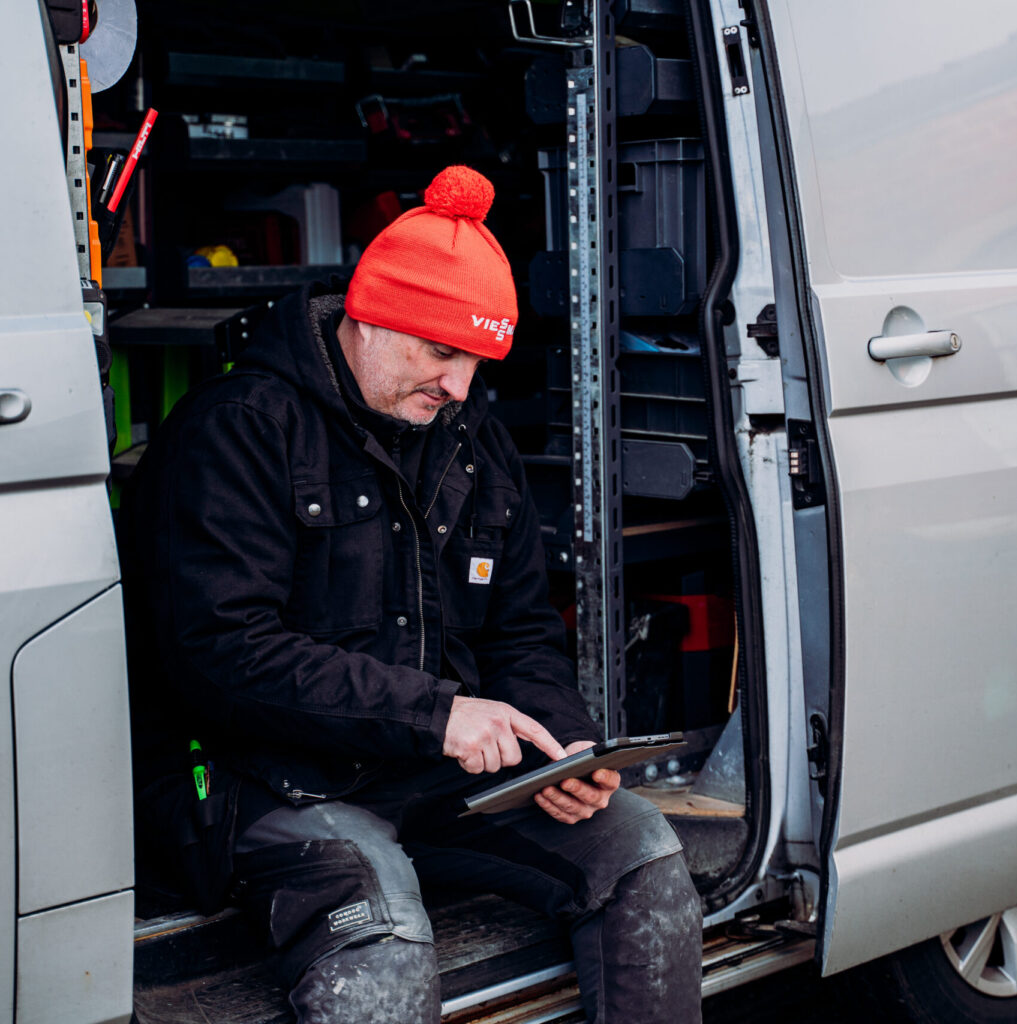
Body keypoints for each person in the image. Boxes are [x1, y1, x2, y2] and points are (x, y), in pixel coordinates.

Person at [120, 165, 703, 1023]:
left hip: (424, 772)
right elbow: (221, 655)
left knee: (642, 854)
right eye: (441, 352)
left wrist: (565, 750)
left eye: (474, 360)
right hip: (264, 783)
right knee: (381, 936)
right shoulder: (238, 427)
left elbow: (522, 634)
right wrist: (438, 715)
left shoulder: (468, 438)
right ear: (370, 315)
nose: (460, 386)